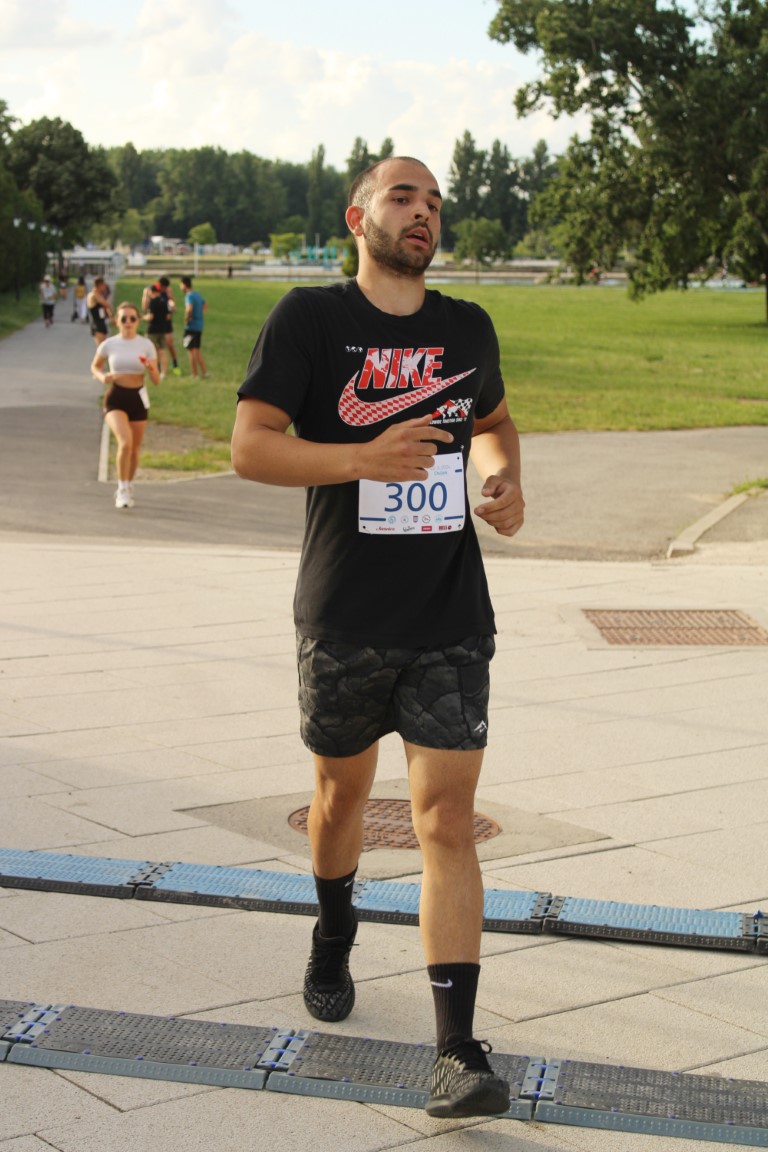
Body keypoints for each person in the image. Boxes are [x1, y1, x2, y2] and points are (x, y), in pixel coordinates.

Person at [231, 156, 525, 1120]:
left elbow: (493, 422)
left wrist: (500, 477)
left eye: (434, 201)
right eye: (404, 196)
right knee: (339, 796)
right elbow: (251, 446)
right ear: (358, 218)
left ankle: (457, 1051)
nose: (423, 212)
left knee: (446, 820)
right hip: (346, 616)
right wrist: (362, 456)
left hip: (449, 616)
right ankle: (333, 931)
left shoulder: (466, 327)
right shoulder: (310, 321)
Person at [91, 301, 160, 509]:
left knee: (135, 449)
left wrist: (150, 367)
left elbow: (156, 380)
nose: (128, 322)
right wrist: (102, 377)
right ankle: (121, 489)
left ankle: (129, 485)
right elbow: (95, 366)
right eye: (123, 318)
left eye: (132, 318)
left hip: (138, 398)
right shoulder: (109, 344)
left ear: (138, 321)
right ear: (117, 321)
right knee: (125, 442)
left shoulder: (146, 345)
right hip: (116, 397)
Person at [179, 275, 208, 378]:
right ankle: (205, 372)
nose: (180, 287)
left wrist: (187, 318)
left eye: (180, 284)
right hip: (199, 325)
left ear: (184, 284)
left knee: (191, 350)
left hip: (191, 327)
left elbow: (189, 308)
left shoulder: (189, 296)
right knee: (197, 349)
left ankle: (194, 373)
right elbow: (205, 305)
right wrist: (200, 315)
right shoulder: (197, 295)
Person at [142, 283, 170, 379]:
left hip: (152, 330)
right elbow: (168, 316)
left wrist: (142, 317)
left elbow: (150, 316)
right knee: (162, 352)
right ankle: (163, 373)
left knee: (149, 352)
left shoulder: (153, 302)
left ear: (151, 291)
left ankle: (151, 373)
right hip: (162, 329)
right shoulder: (164, 301)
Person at [87, 277, 113, 348]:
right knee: (101, 348)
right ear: (99, 285)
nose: (104, 286)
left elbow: (106, 307)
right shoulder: (95, 295)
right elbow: (107, 305)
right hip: (97, 324)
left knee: (103, 347)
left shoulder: (98, 294)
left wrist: (110, 317)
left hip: (100, 322)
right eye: (103, 285)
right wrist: (111, 317)